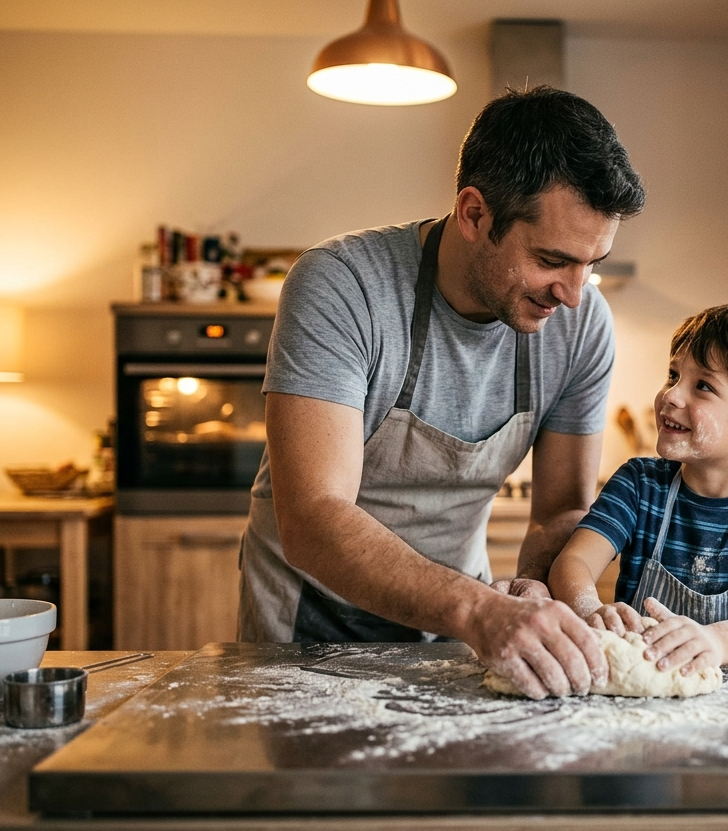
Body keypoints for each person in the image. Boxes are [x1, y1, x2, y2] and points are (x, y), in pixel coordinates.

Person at [237, 86, 646, 700]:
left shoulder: (582, 324)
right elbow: (314, 518)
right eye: (552, 260)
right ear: (474, 213)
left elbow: (560, 510)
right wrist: (478, 611)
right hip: (305, 634)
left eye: (593, 264)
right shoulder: (342, 286)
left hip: (462, 635)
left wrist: (535, 590)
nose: (573, 293)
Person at [547, 300, 728, 676]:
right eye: (672, 375)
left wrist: (717, 641)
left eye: (702, 386)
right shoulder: (640, 485)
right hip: (647, 684)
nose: (671, 395)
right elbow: (573, 562)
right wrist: (591, 612)